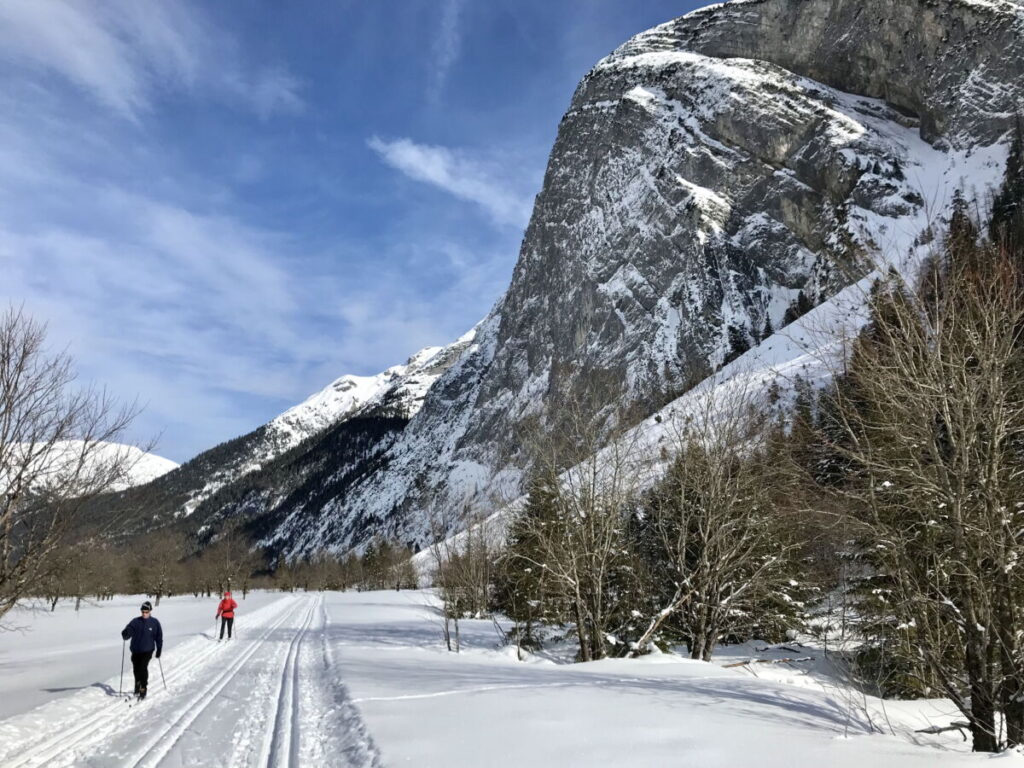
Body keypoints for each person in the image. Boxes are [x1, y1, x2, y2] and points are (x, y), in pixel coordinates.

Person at [121, 601, 163, 699]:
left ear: (150, 611)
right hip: (136, 650)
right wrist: (126, 633)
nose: (144, 613)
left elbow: (159, 637)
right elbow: (129, 630)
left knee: (143, 667)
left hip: (148, 650)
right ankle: (137, 684)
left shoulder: (154, 622)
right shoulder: (135, 621)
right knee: (136, 669)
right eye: (143, 611)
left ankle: (143, 688)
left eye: (146, 612)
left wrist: (159, 649)